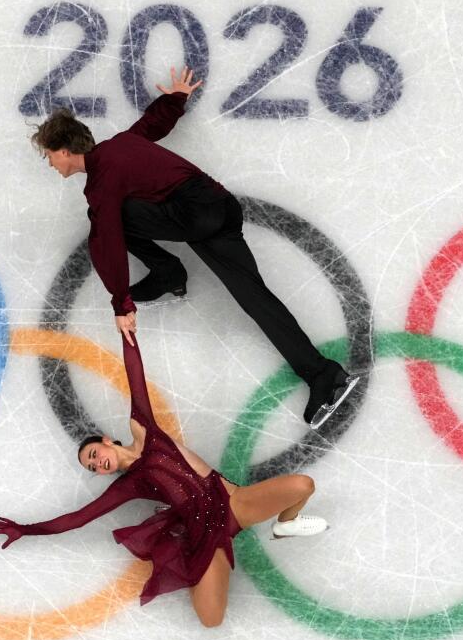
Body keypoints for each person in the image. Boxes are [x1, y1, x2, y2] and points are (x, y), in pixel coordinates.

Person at [31, 66, 359, 429]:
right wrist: (175, 99)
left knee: (105, 220)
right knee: (257, 300)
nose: (49, 163)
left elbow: (106, 241)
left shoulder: (102, 182)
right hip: (221, 209)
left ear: (64, 150)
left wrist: (121, 303)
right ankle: (322, 375)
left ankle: (169, 272)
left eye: (49, 155)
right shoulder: (123, 144)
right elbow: (152, 125)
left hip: (196, 214)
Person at [0, 332, 327, 628]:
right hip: (205, 534)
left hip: (234, 504)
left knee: (303, 486)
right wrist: (27, 529)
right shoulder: (129, 485)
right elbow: (78, 518)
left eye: (93, 455)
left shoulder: (145, 429)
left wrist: (125, 330)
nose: (97, 464)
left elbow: (134, 373)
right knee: (211, 618)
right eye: (92, 468)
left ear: (106, 441)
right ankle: (202, 567)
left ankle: (286, 524)